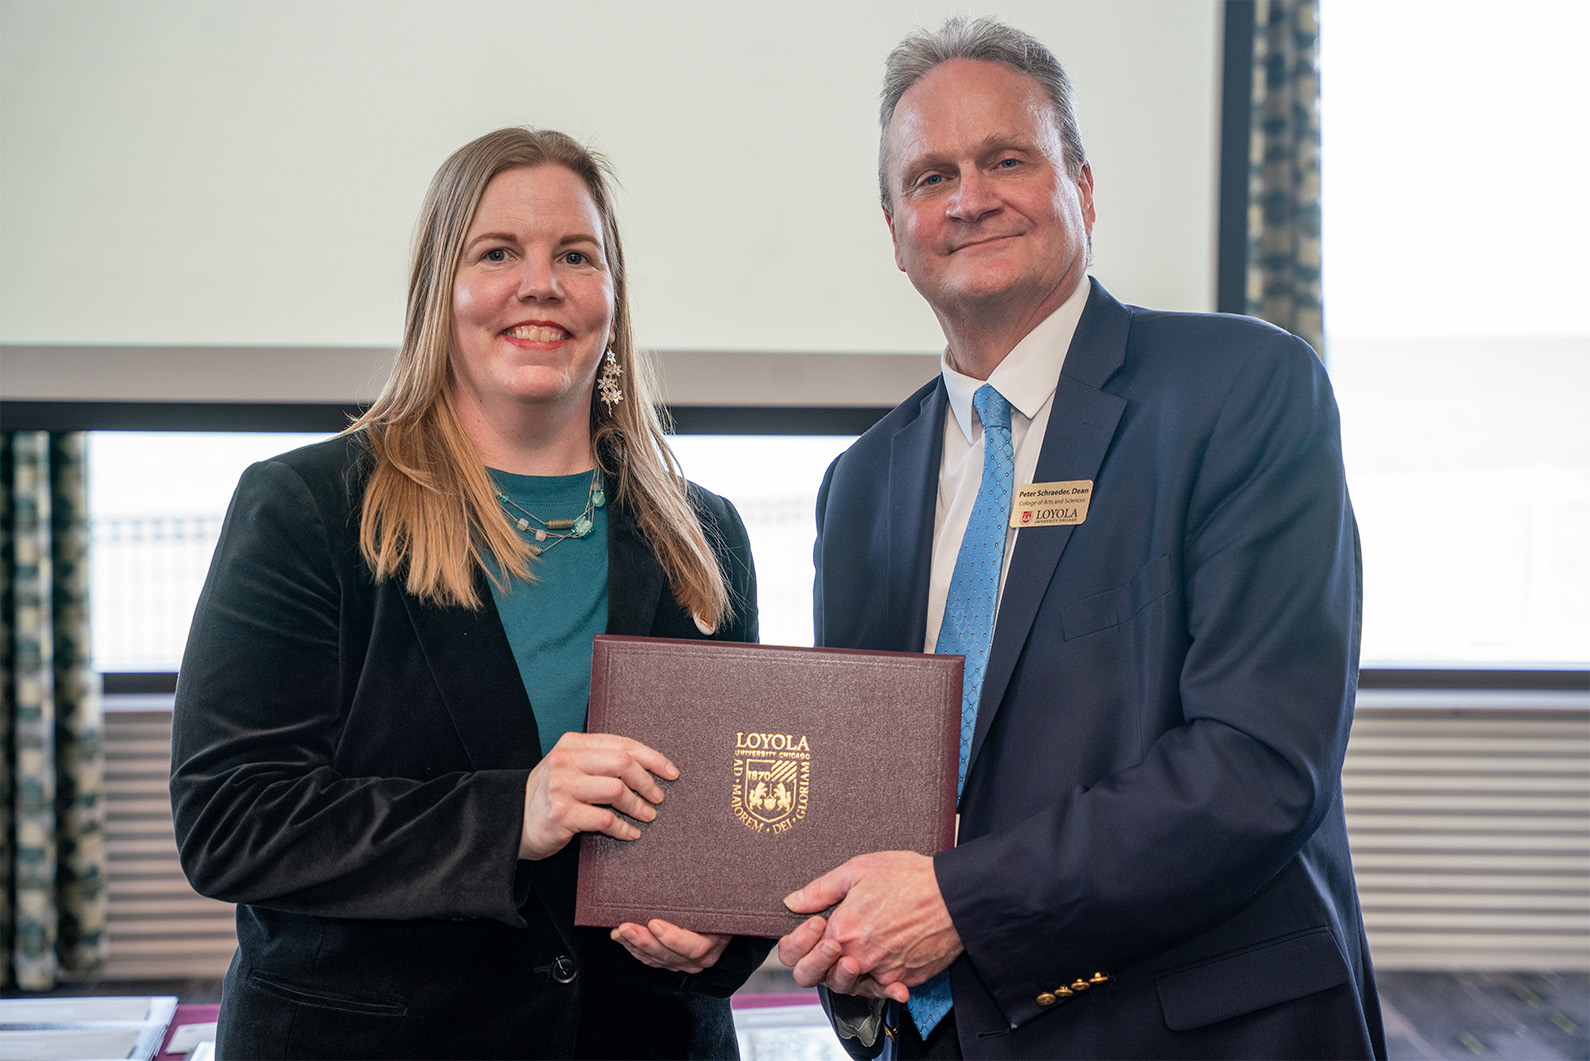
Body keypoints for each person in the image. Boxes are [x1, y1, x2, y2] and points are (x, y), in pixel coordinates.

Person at [776, 16, 1385, 1059]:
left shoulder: (1243, 391)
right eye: (930, 177)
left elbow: (1257, 765)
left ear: (1082, 189)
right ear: (894, 228)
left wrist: (962, 900)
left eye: (1007, 159)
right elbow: (872, 795)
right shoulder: (860, 486)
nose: (968, 198)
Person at [170, 127, 768, 1060]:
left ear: (611, 298)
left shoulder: (703, 534)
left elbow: (729, 822)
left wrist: (722, 928)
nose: (542, 284)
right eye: (498, 253)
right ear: (439, 292)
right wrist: (509, 816)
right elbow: (231, 819)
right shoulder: (306, 509)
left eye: (577, 256)